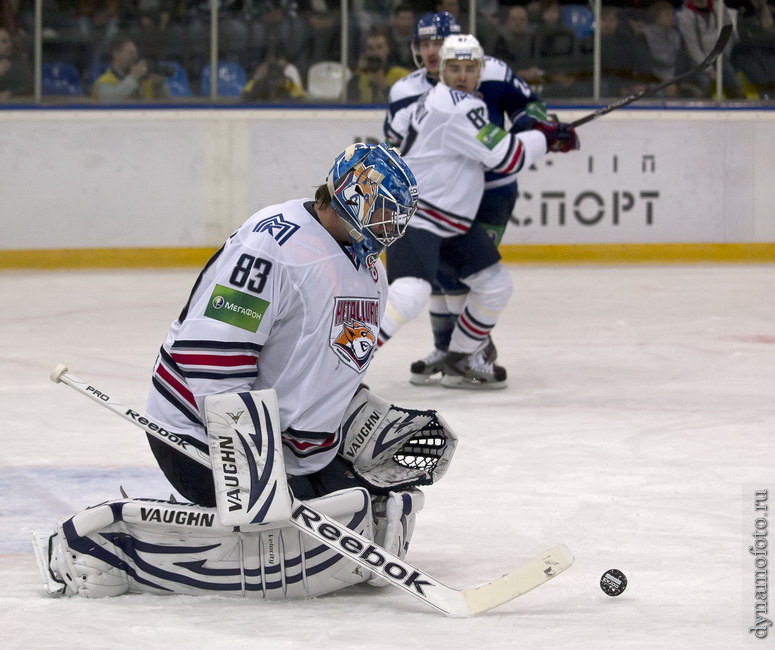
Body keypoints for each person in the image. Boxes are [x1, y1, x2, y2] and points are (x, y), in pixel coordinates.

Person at [33, 143, 461, 602]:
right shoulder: (273, 245)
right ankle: (103, 548)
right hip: (202, 437)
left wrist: (361, 418)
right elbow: (211, 357)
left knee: (365, 514)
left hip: (288, 448)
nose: (392, 227)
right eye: (384, 212)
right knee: (290, 549)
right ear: (351, 195)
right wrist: (251, 465)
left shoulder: (367, 268)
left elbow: (325, 365)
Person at [382, 33, 579, 389]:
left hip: (450, 222)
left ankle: (458, 357)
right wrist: (548, 137)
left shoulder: (442, 100)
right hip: (417, 216)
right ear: (441, 71)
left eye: (469, 68)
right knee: (410, 296)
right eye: (453, 68)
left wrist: (543, 134)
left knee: (495, 286)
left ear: (480, 71)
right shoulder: (454, 107)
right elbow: (506, 157)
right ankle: (339, 360)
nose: (461, 75)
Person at [676, 0, 745, 98]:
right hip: (698, 59)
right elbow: (692, 46)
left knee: (734, 83)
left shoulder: (718, 7)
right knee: (704, 83)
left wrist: (724, 54)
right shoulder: (685, 15)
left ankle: (738, 109)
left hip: (719, 55)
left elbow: (728, 31)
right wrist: (708, 69)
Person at [92, 32, 172, 100]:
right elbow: (109, 100)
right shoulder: (104, 82)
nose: (135, 56)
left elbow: (172, 107)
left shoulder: (145, 82)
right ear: (116, 54)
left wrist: (159, 87)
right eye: (130, 53)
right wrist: (133, 77)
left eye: (135, 53)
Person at [347, 28, 410, 103]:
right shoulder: (359, 78)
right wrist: (357, 74)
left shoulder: (401, 75)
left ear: (387, 49)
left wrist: (383, 86)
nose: (375, 53)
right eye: (370, 48)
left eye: (379, 47)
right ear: (365, 52)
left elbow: (408, 104)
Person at [0, 26, 32, 99]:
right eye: (4, 41)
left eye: (10, 41)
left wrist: (11, 93)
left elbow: (29, 86)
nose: (9, 44)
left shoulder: (17, 61)